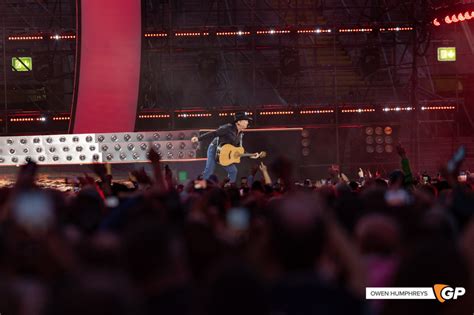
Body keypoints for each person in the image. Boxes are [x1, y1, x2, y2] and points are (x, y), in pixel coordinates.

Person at [191, 112, 259, 184]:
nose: (247, 122)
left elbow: (239, 150)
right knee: (209, 170)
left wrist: (251, 155)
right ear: (238, 122)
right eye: (245, 120)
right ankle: (199, 188)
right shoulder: (227, 128)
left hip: (226, 153)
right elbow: (214, 133)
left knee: (233, 171)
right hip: (215, 149)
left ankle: (228, 187)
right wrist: (199, 138)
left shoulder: (240, 135)